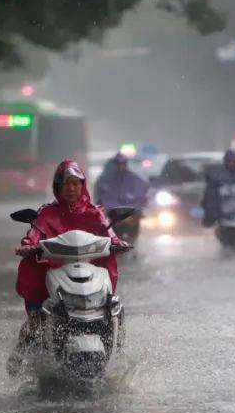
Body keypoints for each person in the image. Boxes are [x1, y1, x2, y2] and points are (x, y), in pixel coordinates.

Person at [8, 160, 128, 373]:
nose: (71, 188)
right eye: (66, 184)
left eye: (76, 183)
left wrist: (118, 243)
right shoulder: (46, 213)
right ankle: (19, 356)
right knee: (35, 321)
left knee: (114, 306)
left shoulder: (95, 212)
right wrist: (28, 247)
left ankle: (119, 353)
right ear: (57, 187)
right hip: (53, 272)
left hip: (89, 271)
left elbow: (110, 234)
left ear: (83, 185)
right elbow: (35, 234)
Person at [94, 153, 150, 243]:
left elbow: (141, 196)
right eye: (119, 164)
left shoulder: (134, 179)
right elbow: (101, 199)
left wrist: (137, 211)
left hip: (130, 215)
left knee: (131, 240)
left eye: (123, 164)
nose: (121, 167)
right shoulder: (106, 180)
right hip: (114, 216)